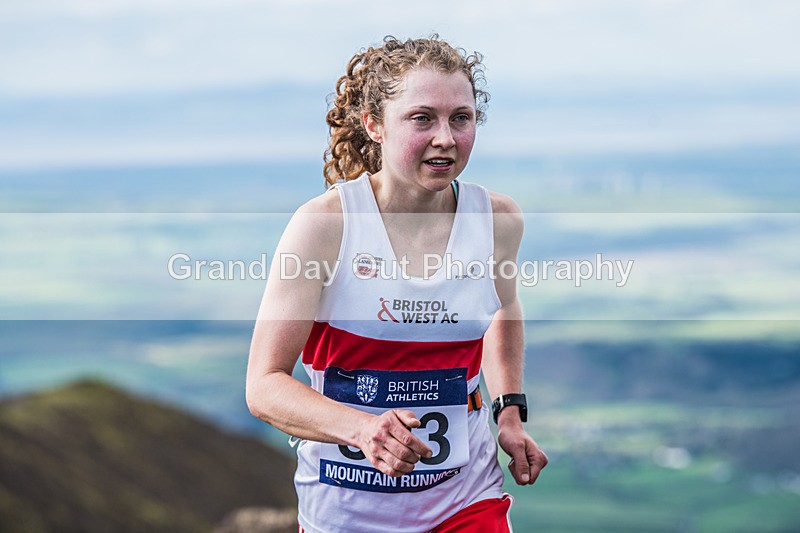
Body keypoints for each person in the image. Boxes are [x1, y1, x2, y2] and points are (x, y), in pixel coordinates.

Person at [246, 35, 547, 533]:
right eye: (422, 118)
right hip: (347, 514)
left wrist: (509, 413)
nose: (446, 138)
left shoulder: (497, 219)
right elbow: (263, 386)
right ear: (374, 125)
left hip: (465, 501)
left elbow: (502, 310)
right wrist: (364, 430)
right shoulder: (326, 225)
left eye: (461, 118)